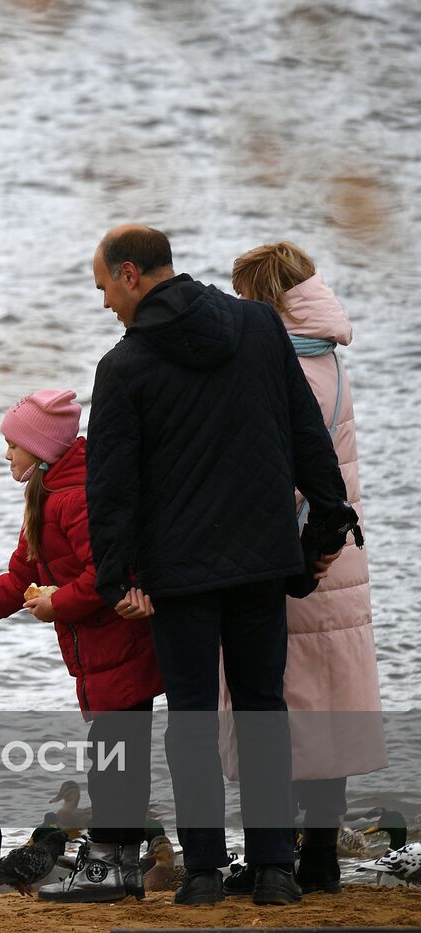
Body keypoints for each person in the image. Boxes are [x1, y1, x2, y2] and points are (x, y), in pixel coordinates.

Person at [84, 225, 351, 907]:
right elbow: (305, 432)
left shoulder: (124, 366)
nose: (106, 303)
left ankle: (203, 870)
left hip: (179, 575)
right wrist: (330, 515)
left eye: (106, 287)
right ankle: (274, 870)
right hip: (262, 559)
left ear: (134, 275)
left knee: (193, 719)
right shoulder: (259, 327)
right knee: (264, 708)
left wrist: (118, 581)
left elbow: (111, 488)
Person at [0, 389, 164, 903]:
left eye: (13, 445)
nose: (7, 454)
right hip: (94, 655)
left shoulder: (78, 498)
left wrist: (60, 605)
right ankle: (121, 867)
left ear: (41, 448)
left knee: (115, 759)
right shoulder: (46, 495)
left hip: (120, 647)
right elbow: (19, 577)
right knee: (115, 757)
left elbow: (105, 577)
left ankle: (106, 869)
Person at [218, 242, 385, 897]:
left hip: (294, 557)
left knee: (282, 699)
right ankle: (316, 851)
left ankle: (287, 852)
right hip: (337, 555)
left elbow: (276, 466)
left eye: (241, 295)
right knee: (326, 699)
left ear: (261, 296)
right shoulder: (325, 356)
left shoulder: (289, 366)